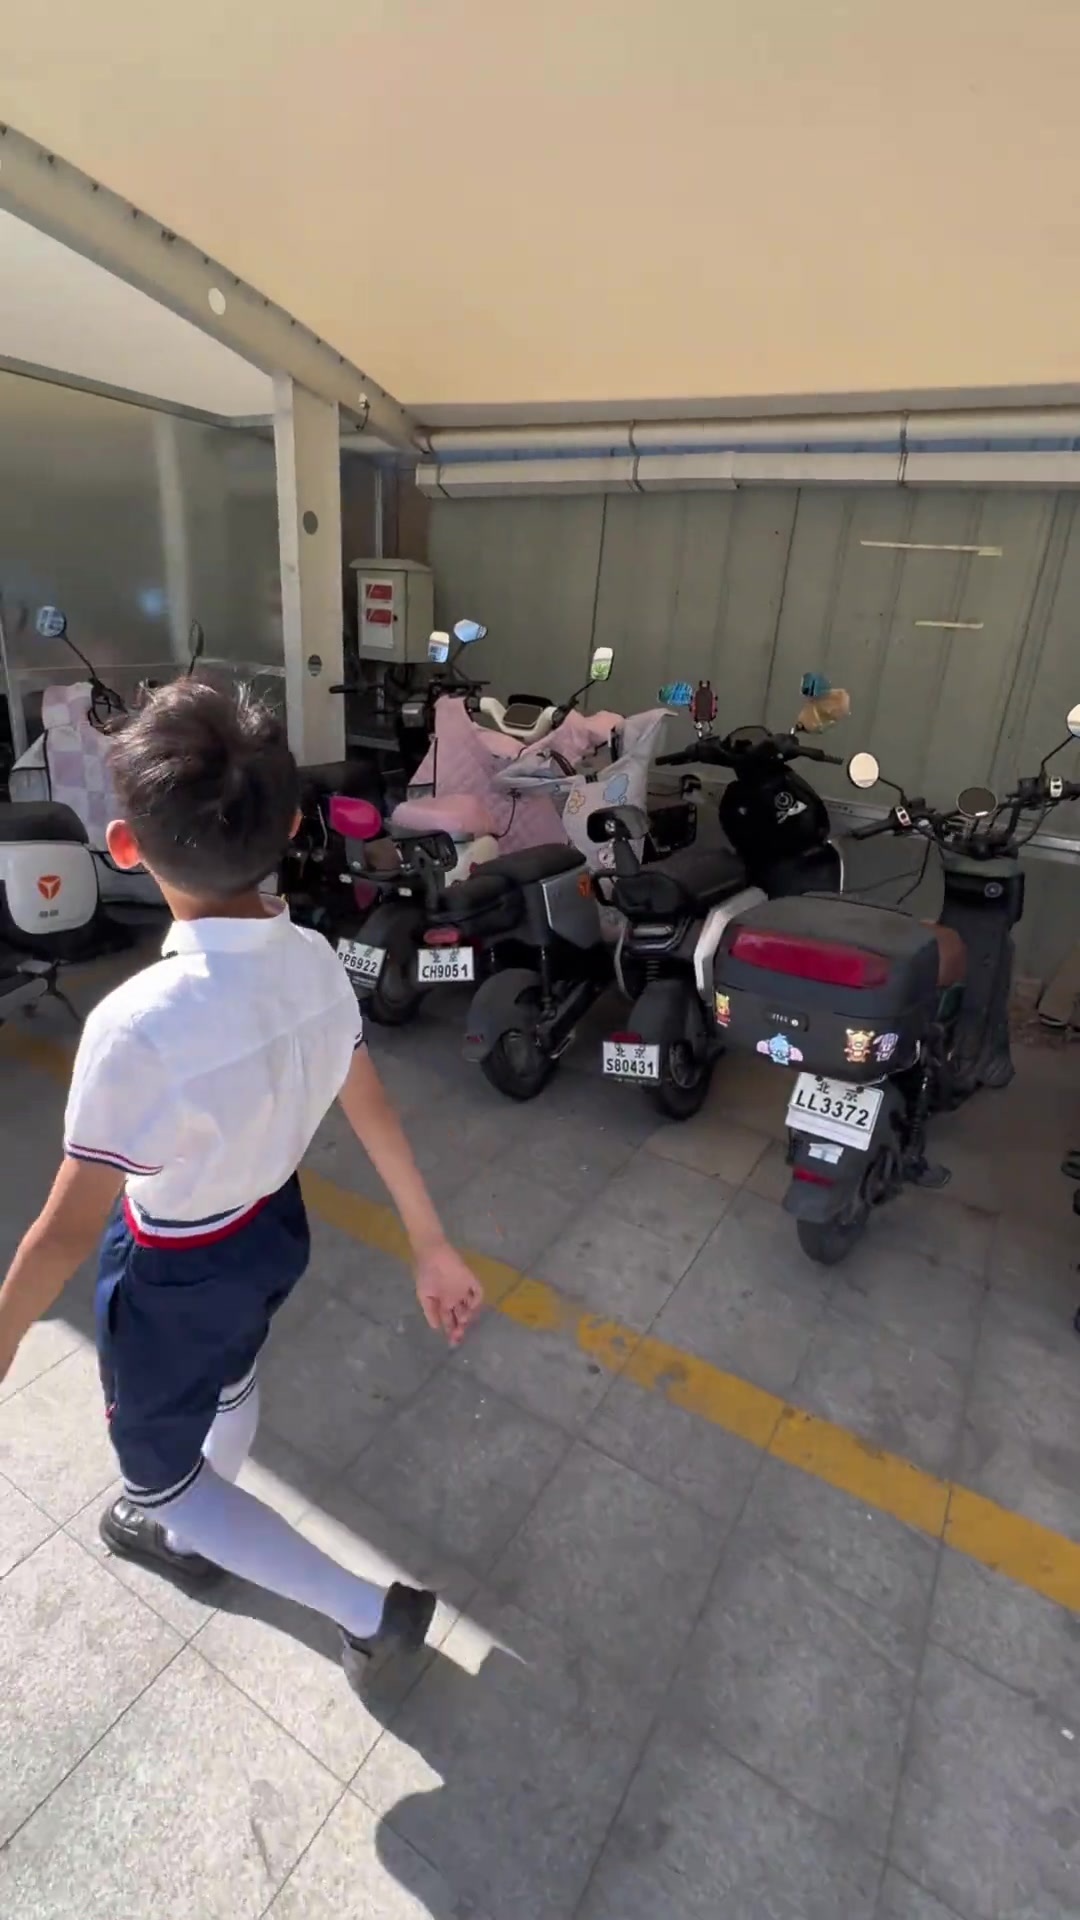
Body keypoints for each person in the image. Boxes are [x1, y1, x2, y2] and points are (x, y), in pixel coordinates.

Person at [0, 680, 483, 1687]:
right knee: (229, 1374)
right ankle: (199, 1512)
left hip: (173, 1269)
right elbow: (371, 1108)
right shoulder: (314, 959)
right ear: (294, 828)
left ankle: (357, 1607)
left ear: (123, 846)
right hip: (271, 1233)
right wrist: (431, 1243)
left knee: (157, 1479)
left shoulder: (135, 1028)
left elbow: (62, 1235)